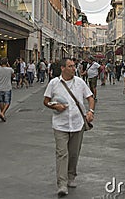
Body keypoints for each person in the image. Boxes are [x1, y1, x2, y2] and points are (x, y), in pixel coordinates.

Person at [43, 58, 95, 197]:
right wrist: (55, 106)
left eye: (73, 66)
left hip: (77, 124)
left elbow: (90, 97)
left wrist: (91, 111)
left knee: (73, 153)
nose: (73, 68)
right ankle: (62, 184)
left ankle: (71, 176)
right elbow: (46, 101)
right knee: (61, 153)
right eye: (70, 66)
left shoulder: (80, 82)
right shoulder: (54, 83)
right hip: (60, 124)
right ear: (63, 68)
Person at [0, 57, 14, 122]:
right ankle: (2, 113)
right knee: (7, 102)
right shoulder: (10, 69)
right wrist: (9, 66)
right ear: (7, 62)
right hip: (7, 88)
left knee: (1, 102)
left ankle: (2, 114)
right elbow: (13, 76)